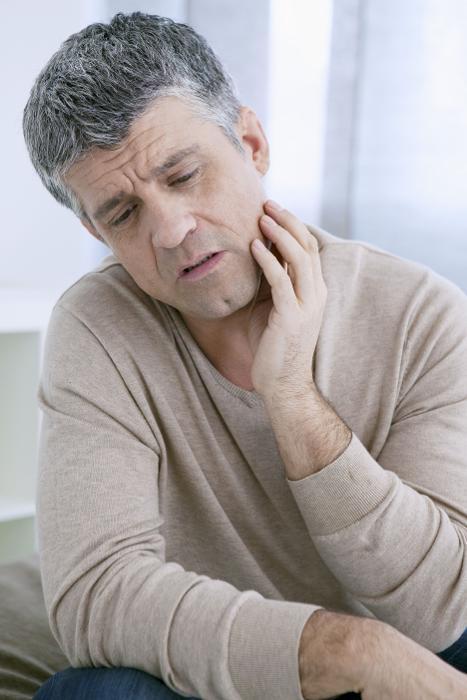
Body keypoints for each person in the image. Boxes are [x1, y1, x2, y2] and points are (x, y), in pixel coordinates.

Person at [23, 11, 467, 700]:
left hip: (409, 675)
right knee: (93, 692)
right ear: (94, 229)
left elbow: (439, 610)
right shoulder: (96, 328)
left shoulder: (419, 313)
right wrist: (341, 646)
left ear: (252, 143)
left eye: (183, 174)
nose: (170, 231)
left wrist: (290, 394)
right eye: (122, 214)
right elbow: (95, 597)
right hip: (233, 678)